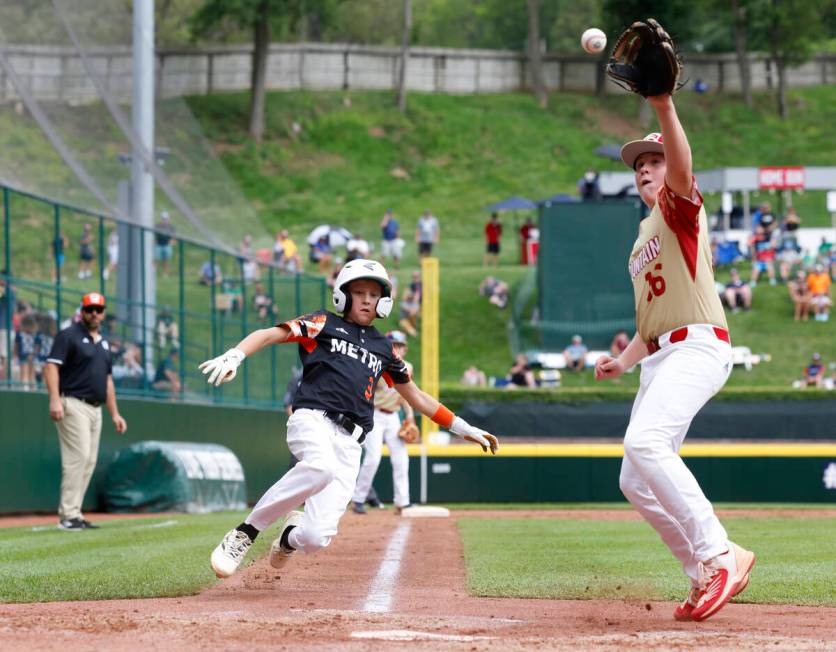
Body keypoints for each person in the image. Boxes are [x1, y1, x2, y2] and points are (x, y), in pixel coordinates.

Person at [201, 258, 497, 579]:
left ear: (383, 301)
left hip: (351, 443)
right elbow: (270, 334)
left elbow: (417, 396)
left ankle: (289, 537)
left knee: (316, 538)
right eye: (359, 292)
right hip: (313, 418)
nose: (367, 299)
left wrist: (463, 427)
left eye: (373, 293)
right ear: (343, 295)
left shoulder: (384, 348)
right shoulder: (323, 322)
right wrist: (236, 354)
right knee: (320, 466)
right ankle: (245, 533)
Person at [594, 91, 754, 624]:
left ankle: (719, 554)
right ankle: (700, 571)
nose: (645, 170)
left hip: (699, 344)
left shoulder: (680, 208)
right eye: (639, 164)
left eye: (654, 160)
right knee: (633, 479)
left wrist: (663, 106)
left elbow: (683, 172)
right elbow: (651, 324)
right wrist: (626, 359)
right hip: (662, 353)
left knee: (645, 442)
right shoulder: (641, 237)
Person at [44, 292, 128, 530]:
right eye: (89, 309)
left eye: (98, 310)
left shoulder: (103, 344)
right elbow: (51, 367)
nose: (94, 314)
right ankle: (68, 514)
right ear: (82, 311)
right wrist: (54, 400)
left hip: (96, 408)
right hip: (72, 403)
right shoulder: (68, 335)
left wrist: (115, 414)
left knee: (89, 460)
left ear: (102, 313)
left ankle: (75, 513)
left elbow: (108, 381)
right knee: (77, 457)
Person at [351, 330, 415, 515]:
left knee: (401, 458)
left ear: (405, 349)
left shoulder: (407, 367)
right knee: (373, 458)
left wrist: (409, 415)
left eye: (400, 345)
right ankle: (358, 499)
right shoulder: (377, 364)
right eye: (394, 345)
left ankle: (402, 502)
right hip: (375, 415)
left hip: (394, 417)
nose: (397, 348)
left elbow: (406, 394)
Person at [14, 313, 38, 390]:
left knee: (23, 373)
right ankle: (33, 389)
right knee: (32, 375)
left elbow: (16, 346)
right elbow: (37, 346)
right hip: (33, 356)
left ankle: (25, 389)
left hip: (22, 355)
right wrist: (33, 354)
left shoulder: (19, 334)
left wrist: (15, 354)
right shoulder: (36, 334)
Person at [155, 211, 176, 276]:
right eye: (163, 218)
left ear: (167, 219)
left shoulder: (170, 227)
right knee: (156, 259)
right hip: (158, 245)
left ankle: (165, 273)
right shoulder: (157, 226)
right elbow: (153, 235)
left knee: (166, 260)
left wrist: (172, 242)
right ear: (161, 218)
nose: (164, 220)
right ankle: (153, 272)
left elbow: (173, 237)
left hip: (167, 245)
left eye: (165, 219)